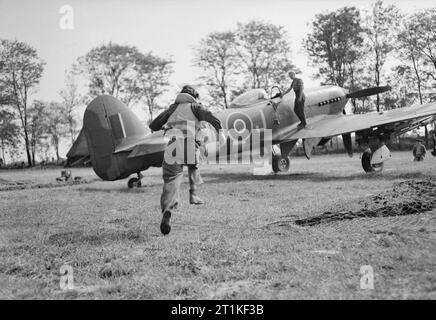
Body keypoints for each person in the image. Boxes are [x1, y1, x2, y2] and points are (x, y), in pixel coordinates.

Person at [149, 85, 222, 235]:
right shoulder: (196, 106)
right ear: (194, 96)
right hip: (190, 146)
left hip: (173, 146)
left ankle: (168, 209)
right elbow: (210, 117)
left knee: (171, 180)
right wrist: (220, 130)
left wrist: (166, 125)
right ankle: (193, 194)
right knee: (194, 166)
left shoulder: (172, 108)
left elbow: (153, 125)